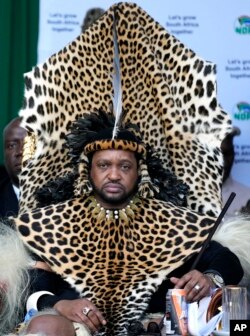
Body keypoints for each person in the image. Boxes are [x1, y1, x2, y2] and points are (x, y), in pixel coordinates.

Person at [11, 112, 243, 336]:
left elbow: (227, 260)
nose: (114, 175)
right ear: (88, 171)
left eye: (124, 166)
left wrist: (210, 278)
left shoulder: (167, 221)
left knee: (238, 308)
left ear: (139, 173)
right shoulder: (57, 222)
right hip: (76, 325)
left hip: (154, 325)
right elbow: (32, 285)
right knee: (46, 326)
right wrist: (60, 304)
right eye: (103, 165)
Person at [0, 117, 27, 218]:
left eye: (28, 143)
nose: (20, 151)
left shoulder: (67, 198)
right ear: (4, 157)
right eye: (12, 145)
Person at [221, 126, 250, 217]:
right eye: (217, 154)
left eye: (228, 154)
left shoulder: (247, 195)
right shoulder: (181, 194)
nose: (224, 162)